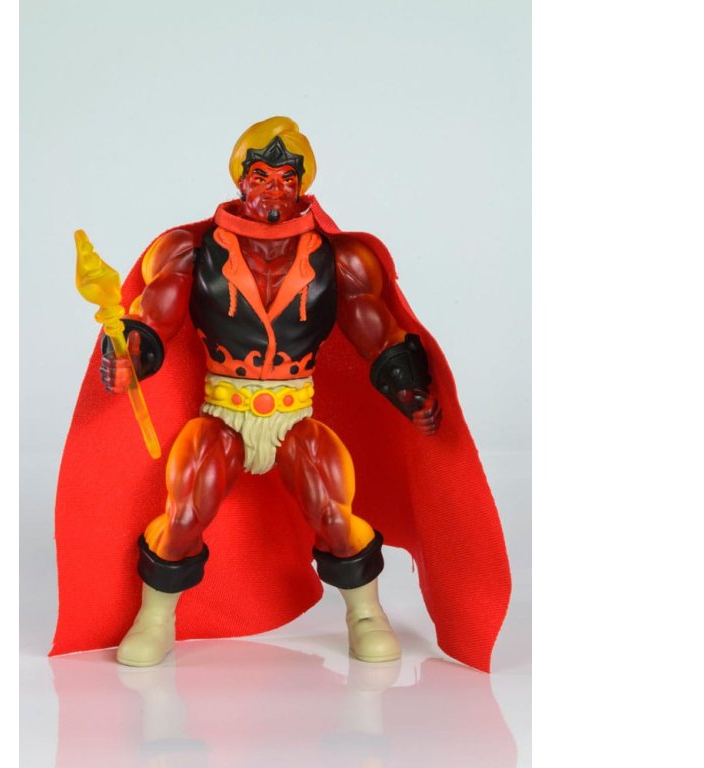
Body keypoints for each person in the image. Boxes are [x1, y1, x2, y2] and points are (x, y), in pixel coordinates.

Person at [53, 117, 511, 671]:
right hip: (223, 409)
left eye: (286, 179)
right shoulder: (190, 251)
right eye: (261, 176)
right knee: (185, 511)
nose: (273, 190)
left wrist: (410, 387)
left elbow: (377, 333)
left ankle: (365, 613)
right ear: (240, 179)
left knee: (334, 511)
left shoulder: (338, 259)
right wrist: (129, 353)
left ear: (302, 184)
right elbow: (155, 319)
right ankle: (155, 618)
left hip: (295, 412)